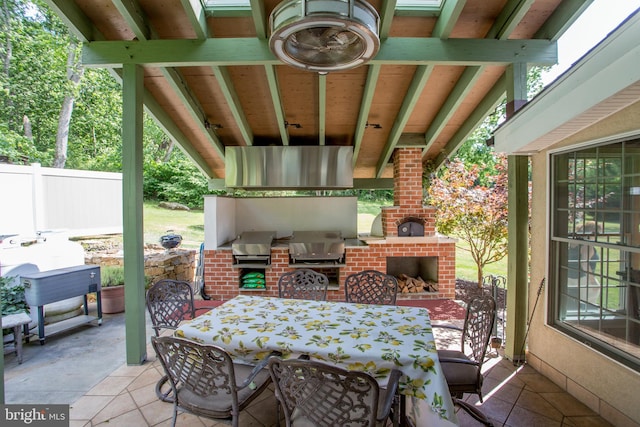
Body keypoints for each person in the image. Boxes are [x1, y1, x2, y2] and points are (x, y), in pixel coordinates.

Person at [567, 221, 602, 306]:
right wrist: (593, 282)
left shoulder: (573, 242)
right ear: (593, 232)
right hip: (583, 279)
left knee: (575, 305)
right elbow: (584, 263)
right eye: (599, 233)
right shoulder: (587, 245)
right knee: (588, 305)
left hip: (570, 277)